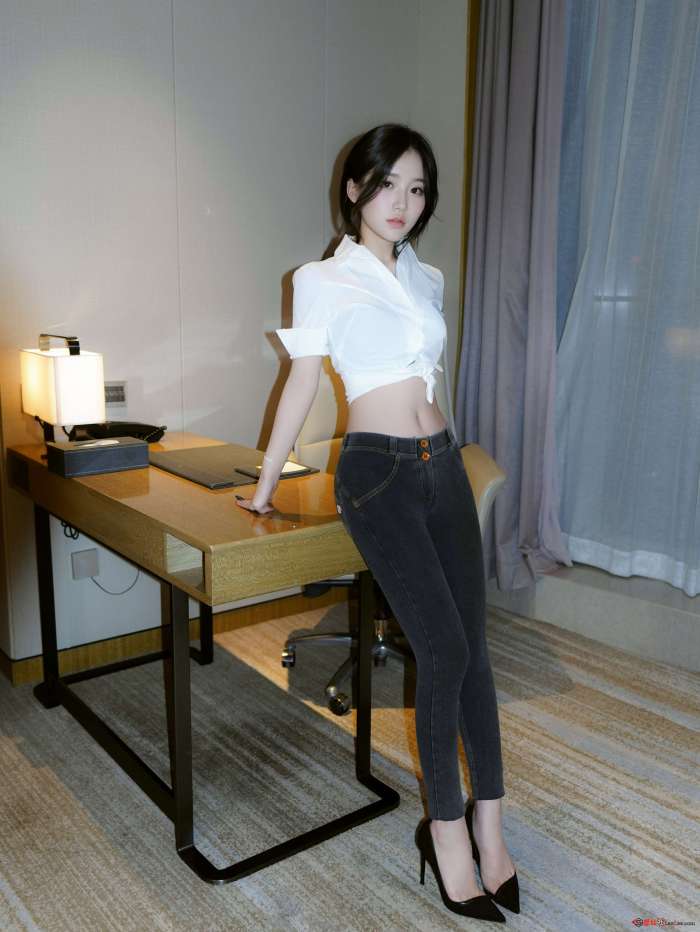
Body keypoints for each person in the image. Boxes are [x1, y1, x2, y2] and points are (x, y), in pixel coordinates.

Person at [235, 123, 518, 922]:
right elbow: (301, 383)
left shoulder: (427, 278)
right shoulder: (321, 279)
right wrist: (265, 482)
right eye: (388, 183)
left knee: (476, 653)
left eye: (418, 188)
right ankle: (446, 834)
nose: (403, 202)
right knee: (444, 650)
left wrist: (450, 460)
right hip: (377, 475)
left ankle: (493, 832)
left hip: (441, 463)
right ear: (355, 188)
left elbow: (429, 376)